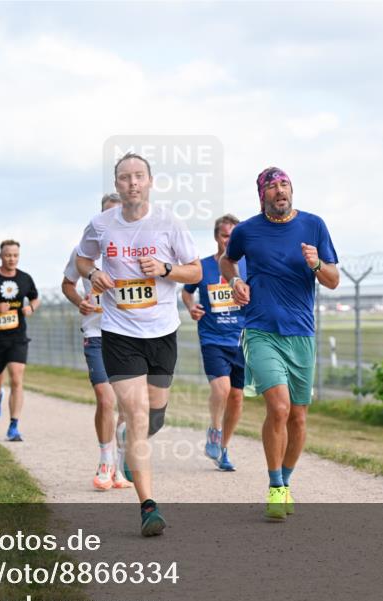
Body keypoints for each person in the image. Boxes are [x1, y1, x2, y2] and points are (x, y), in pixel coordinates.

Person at [76, 152, 201, 537]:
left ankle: (132, 443)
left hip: (161, 332)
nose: (132, 183)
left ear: (150, 182)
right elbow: (82, 260)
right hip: (119, 332)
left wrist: (165, 269)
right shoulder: (101, 224)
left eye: (139, 176)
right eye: (125, 177)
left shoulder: (168, 223)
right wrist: (95, 273)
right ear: (117, 185)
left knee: (155, 415)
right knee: (136, 414)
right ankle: (148, 506)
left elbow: (194, 269)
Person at [220, 167, 340, 521]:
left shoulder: (314, 226)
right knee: (280, 409)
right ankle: (275, 486)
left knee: (299, 417)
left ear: (292, 190)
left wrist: (316, 262)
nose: (279, 191)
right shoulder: (246, 231)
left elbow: (332, 280)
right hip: (260, 331)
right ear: (262, 195)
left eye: (284, 185)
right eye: (271, 187)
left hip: (301, 334)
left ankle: (286, 481)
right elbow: (228, 260)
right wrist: (235, 281)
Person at [62, 193, 132, 491]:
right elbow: (67, 283)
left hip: (130, 336)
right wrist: (80, 301)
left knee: (128, 406)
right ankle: (105, 461)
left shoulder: (133, 250)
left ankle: (118, 465)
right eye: (106, 215)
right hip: (97, 335)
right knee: (106, 399)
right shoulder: (83, 252)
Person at [182, 214, 246, 472]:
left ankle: (224, 449)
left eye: (233, 236)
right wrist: (192, 308)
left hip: (242, 339)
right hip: (212, 338)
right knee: (222, 389)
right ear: (216, 237)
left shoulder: (247, 267)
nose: (228, 240)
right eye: (224, 235)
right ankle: (215, 429)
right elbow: (186, 293)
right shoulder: (204, 266)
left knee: (237, 397)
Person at [0, 240, 40, 442]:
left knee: (17, 377)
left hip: (17, 337)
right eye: (8, 255)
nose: (12, 259)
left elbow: (35, 297)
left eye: (15, 255)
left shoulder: (25, 278)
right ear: (1, 257)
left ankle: (14, 425)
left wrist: (32, 307)